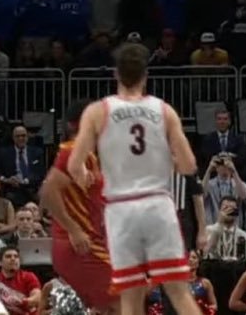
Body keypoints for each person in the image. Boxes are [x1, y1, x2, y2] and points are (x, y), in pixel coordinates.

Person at [67, 43, 202, 315]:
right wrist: (166, 160)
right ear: (145, 75)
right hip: (157, 204)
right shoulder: (163, 110)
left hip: (120, 208)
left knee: (130, 298)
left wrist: (86, 177)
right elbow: (189, 165)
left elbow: (74, 165)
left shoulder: (98, 111)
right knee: (179, 292)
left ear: (116, 74)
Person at [39, 100, 117, 312]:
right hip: (81, 245)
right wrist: (73, 229)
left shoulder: (87, 155)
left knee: (109, 306)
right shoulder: (74, 151)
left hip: (89, 241)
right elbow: (47, 191)